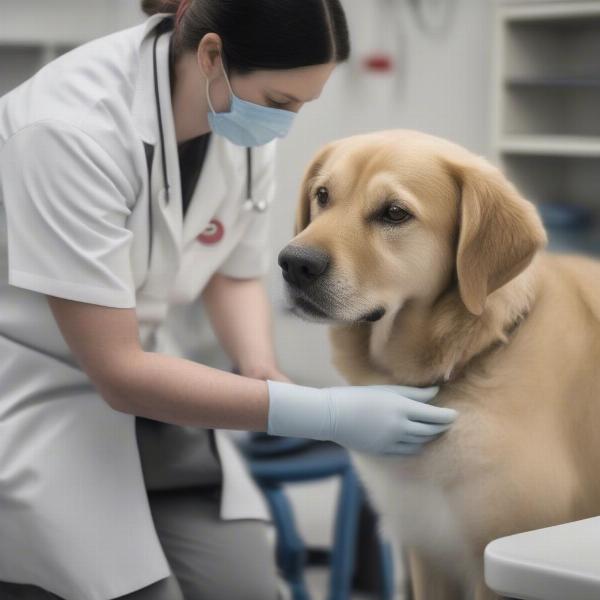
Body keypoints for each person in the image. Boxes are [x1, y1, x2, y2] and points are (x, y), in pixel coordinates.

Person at [0, 0, 458, 599]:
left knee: (244, 586)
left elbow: (232, 272)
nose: (286, 125)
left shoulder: (236, 118)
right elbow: (117, 372)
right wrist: (321, 412)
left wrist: (261, 370)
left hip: (150, 401)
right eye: (279, 103)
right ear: (213, 56)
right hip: (35, 395)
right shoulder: (70, 129)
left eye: (302, 104)